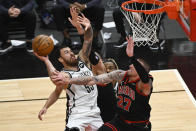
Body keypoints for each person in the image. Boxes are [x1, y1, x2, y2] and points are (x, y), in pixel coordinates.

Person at [51, 36, 153, 131]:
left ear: (141, 70)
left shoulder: (145, 84)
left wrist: (132, 57)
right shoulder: (121, 74)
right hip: (120, 121)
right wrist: (70, 80)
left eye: (134, 65)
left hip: (138, 126)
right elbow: (93, 79)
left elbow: (144, 77)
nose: (130, 65)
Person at [35, 7, 103, 131]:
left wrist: (86, 27)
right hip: (78, 114)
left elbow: (88, 40)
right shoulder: (64, 74)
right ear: (61, 59)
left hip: (95, 112)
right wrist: (46, 61)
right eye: (67, 52)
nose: (72, 53)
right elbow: (56, 86)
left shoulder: (83, 59)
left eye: (71, 51)